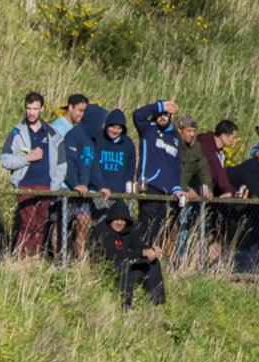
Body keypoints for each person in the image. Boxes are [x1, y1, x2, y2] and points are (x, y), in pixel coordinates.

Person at [1, 90, 65, 258]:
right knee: (27, 223)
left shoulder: (52, 135)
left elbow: (61, 164)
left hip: (45, 186)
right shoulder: (17, 132)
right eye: (28, 108)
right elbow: (5, 159)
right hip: (25, 184)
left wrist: (54, 186)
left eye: (35, 109)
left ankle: (34, 259)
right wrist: (27, 158)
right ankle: (22, 258)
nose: (31, 112)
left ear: (42, 109)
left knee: (39, 225)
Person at [177, 115, 234, 259]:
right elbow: (216, 171)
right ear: (223, 136)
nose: (234, 141)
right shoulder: (206, 146)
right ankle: (181, 258)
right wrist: (228, 190)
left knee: (194, 227)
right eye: (233, 137)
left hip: (201, 192)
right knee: (184, 226)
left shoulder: (219, 152)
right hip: (189, 190)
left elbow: (213, 174)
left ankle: (190, 259)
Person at [133, 99, 185, 245]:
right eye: (159, 115)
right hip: (149, 185)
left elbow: (176, 166)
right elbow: (137, 115)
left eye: (166, 115)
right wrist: (159, 106)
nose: (162, 117)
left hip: (167, 191)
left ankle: (151, 258)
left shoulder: (175, 137)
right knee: (148, 223)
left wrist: (176, 188)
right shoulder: (148, 129)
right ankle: (139, 255)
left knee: (160, 227)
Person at [60, 95, 106, 259]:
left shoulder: (91, 140)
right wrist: (75, 184)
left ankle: (79, 259)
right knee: (60, 224)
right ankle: (59, 258)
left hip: (83, 192)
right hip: (69, 190)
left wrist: (100, 185)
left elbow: (93, 166)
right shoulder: (74, 135)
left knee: (85, 222)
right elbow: (69, 162)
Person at [225, 143, 259, 271]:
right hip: (221, 196)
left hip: (241, 204)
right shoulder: (251, 168)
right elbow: (257, 194)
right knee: (215, 233)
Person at [100, 206, 165, 308]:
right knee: (123, 263)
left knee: (152, 262)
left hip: (126, 270)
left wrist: (151, 250)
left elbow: (139, 245)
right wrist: (141, 253)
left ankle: (156, 302)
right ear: (111, 219)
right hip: (107, 270)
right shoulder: (103, 231)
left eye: (122, 220)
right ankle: (126, 305)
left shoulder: (127, 231)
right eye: (116, 219)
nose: (120, 223)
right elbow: (112, 254)